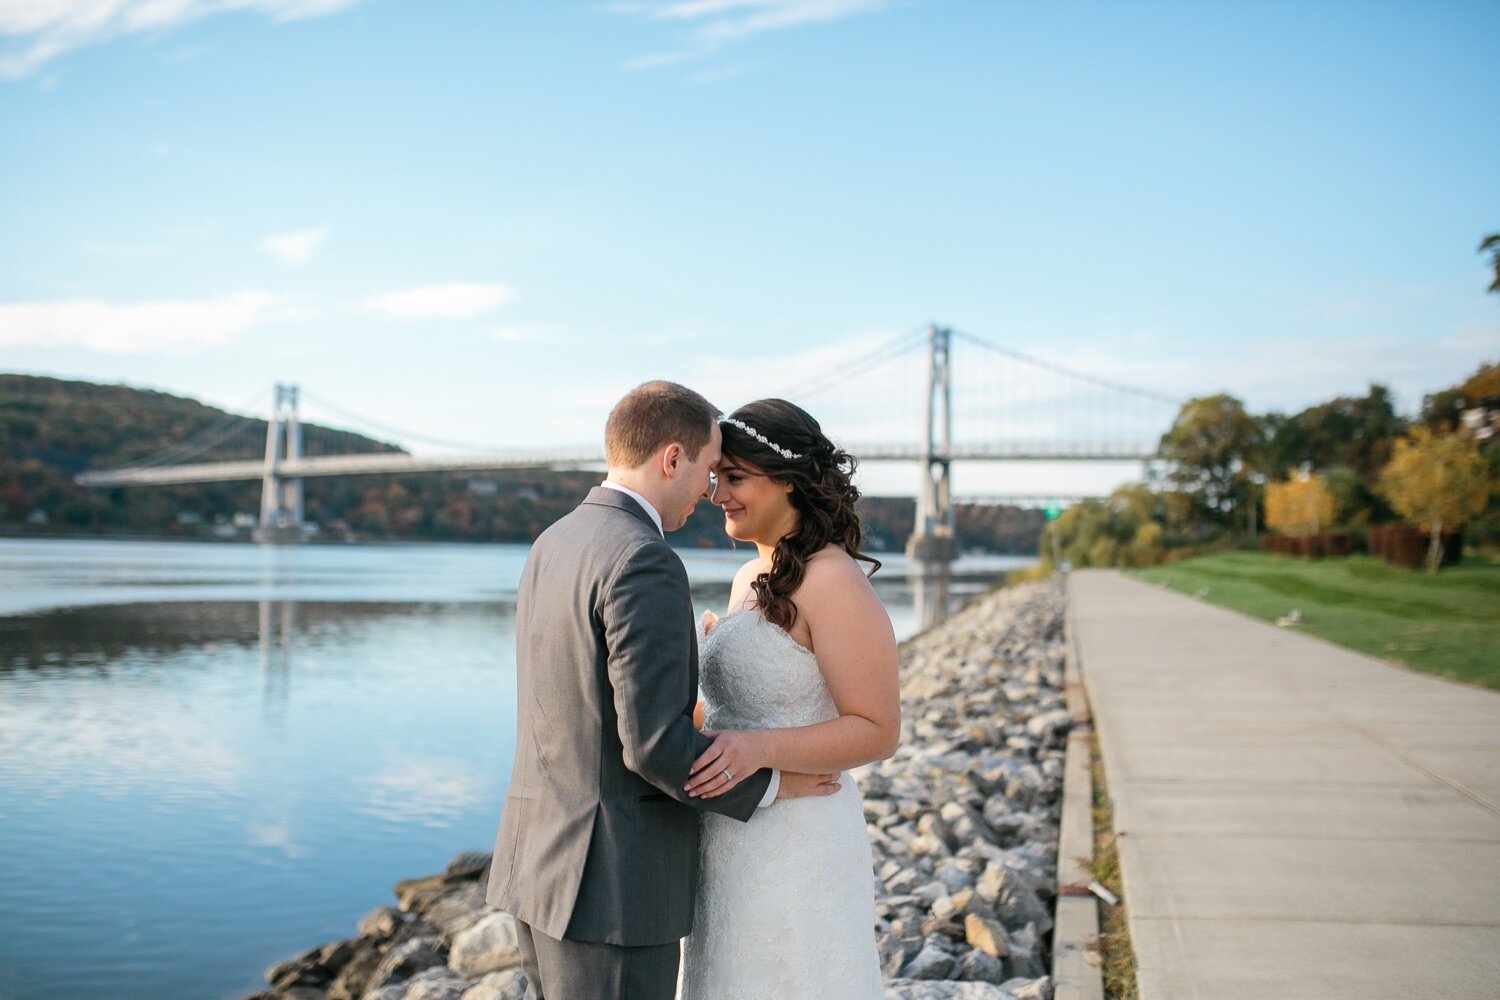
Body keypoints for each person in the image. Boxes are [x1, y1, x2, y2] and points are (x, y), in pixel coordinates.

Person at [484, 381, 841, 1000]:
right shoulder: (642, 558)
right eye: (708, 471)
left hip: (535, 864)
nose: (711, 493)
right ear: (672, 459)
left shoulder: (555, 541)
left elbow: (579, 704)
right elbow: (649, 745)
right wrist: (775, 783)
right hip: (614, 884)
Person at [677, 397, 901, 999]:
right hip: (730, 831)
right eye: (716, 477)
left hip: (800, 837)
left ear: (789, 482)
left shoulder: (833, 580)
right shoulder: (748, 576)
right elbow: (730, 710)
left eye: (735, 478)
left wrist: (753, 751)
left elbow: (878, 728)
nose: (715, 492)